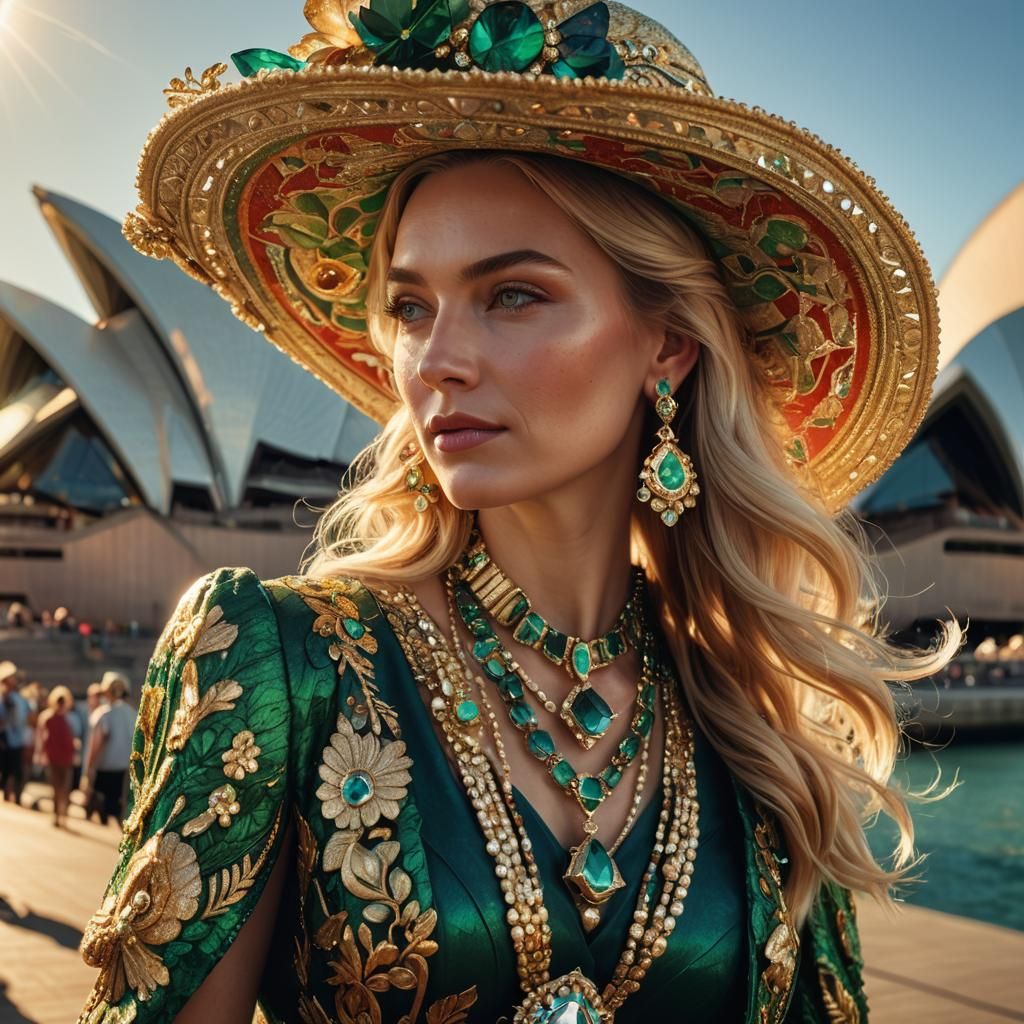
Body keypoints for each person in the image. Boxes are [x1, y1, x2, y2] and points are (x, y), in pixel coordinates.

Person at [77, 3, 961, 1022]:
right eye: (411, 307)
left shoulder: (753, 727)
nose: (436, 361)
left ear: (667, 344)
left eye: (512, 296)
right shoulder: (281, 658)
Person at [83, 672, 135, 826]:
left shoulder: (102, 714)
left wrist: (88, 769)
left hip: (104, 767)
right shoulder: (133, 713)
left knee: (102, 809)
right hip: (125, 768)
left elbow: (96, 745)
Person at [35, 685, 77, 827]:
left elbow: (73, 738)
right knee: (56, 787)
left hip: (66, 757)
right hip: (54, 757)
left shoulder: (69, 718)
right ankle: (57, 814)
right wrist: (40, 754)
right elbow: (41, 737)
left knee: (64, 787)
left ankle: (62, 814)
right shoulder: (47, 717)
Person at [0, 661, 29, 804]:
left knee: (16, 771)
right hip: (5, 738)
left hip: (17, 739)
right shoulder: (3, 697)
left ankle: (14, 797)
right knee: (6, 770)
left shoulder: (18, 698)